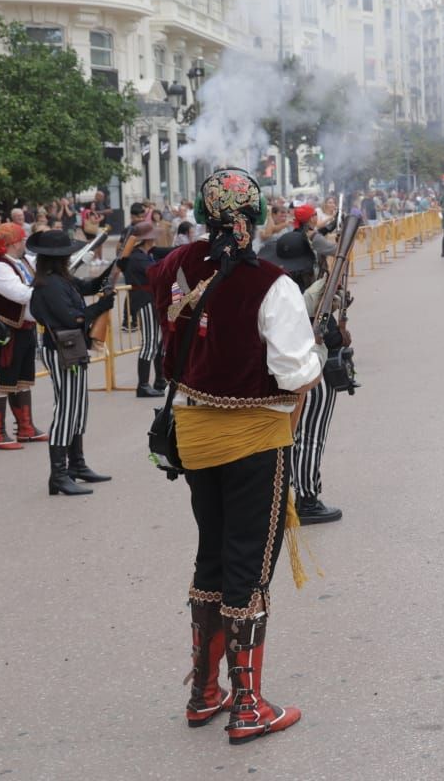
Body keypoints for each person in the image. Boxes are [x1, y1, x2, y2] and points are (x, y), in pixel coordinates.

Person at [149, 167, 322, 746]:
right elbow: (296, 372)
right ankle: (248, 705)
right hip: (253, 437)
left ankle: (203, 694)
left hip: (195, 431)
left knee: (213, 556)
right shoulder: (270, 282)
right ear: (253, 216)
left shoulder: (175, 266)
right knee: (249, 563)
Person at [262, 229, 347, 526]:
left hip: (295, 369)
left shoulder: (274, 285)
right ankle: (308, 498)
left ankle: (291, 495)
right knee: (310, 438)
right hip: (309, 369)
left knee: (299, 437)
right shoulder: (294, 291)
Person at [28, 231, 116, 495]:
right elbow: (73, 319)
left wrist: (113, 269)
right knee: (66, 410)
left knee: (77, 408)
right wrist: (100, 308)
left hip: (71, 349)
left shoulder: (59, 280)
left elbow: (88, 287)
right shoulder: (50, 285)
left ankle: (76, 465)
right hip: (62, 350)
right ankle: (59, 475)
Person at [0, 222, 48, 448]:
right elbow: (20, 294)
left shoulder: (22, 260)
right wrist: (48, 290)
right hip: (3, 329)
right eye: (22, 239)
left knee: (22, 379)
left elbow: (44, 270)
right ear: (13, 242)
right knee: (0, 380)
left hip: (23, 326)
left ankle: (25, 428)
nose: (25, 242)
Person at [119, 220, 169, 398]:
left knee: (158, 342)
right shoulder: (137, 258)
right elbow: (156, 274)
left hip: (152, 300)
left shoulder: (144, 255)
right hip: (145, 300)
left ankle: (160, 379)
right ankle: (143, 385)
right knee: (150, 341)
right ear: (147, 240)